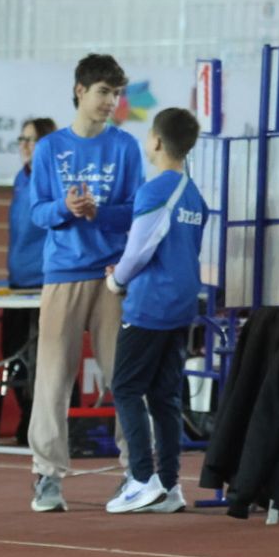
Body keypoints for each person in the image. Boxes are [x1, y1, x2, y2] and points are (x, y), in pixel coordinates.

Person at [27, 53, 143, 512]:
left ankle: (137, 471)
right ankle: (47, 476)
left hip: (114, 276)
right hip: (64, 273)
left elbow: (137, 211)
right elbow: (37, 212)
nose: (111, 102)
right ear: (80, 91)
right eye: (103, 92)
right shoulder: (50, 148)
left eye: (116, 94)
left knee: (124, 378)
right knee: (54, 377)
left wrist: (100, 212)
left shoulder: (127, 147)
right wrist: (64, 209)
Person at [103, 107, 206, 514]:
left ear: (157, 142)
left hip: (150, 304)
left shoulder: (154, 191)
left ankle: (142, 479)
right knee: (164, 397)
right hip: (182, 305)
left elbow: (140, 248)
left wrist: (117, 280)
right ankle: (170, 485)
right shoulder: (194, 194)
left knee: (126, 388)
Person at [2, 117, 58, 445]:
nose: (24, 145)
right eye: (21, 139)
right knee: (13, 353)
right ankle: (26, 415)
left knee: (44, 356)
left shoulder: (53, 182)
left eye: (31, 140)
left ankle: (45, 424)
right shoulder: (20, 179)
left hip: (43, 281)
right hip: (17, 280)